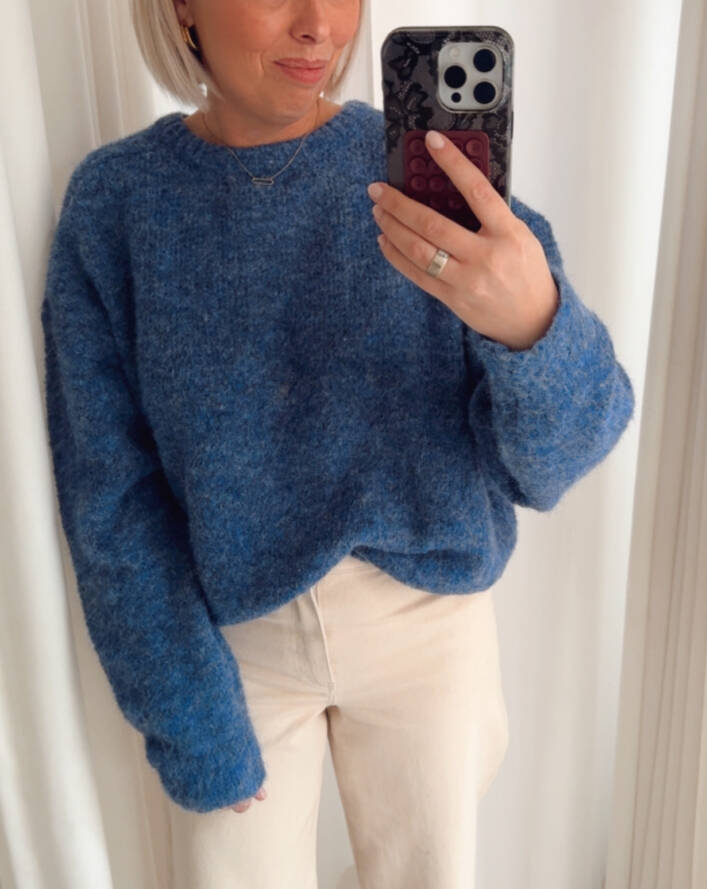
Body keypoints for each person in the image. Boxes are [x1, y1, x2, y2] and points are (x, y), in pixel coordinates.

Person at [40, 1, 635, 887]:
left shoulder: (422, 171)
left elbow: (558, 458)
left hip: (426, 626)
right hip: (237, 646)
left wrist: (532, 326)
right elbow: (110, 496)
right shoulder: (118, 203)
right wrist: (187, 715)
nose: (321, 24)